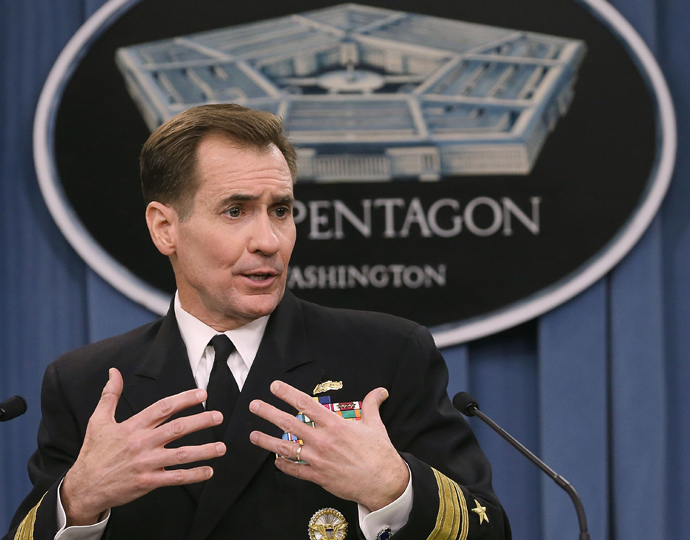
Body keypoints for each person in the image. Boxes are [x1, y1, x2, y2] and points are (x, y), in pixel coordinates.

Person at [5, 104, 510, 540]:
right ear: (165, 228)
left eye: (281, 210)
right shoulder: (86, 383)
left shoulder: (387, 354)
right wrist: (78, 500)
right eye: (235, 211)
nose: (269, 240)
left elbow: (490, 529)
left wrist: (394, 488)